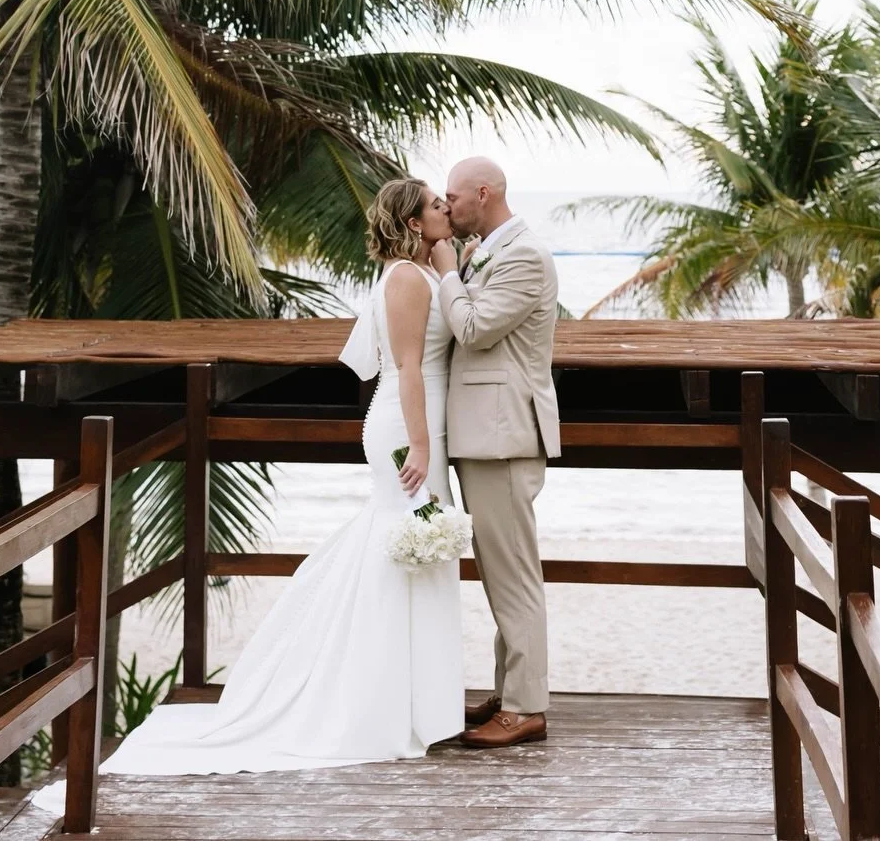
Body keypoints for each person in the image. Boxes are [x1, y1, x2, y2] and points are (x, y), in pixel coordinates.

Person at [33, 177, 463, 788]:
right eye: (436, 205)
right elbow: (410, 366)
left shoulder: (423, 272)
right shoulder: (403, 279)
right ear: (414, 223)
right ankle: (378, 702)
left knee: (413, 552)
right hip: (405, 428)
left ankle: (416, 700)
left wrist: (451, 266)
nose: (447, 208)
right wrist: (419, 444)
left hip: (423, 427)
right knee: (404, 551)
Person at [432, 155, 559, 749]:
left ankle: (526, 706)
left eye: (453, 197)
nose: (447, 206)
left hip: (504, 435)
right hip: (485, 433)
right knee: (500, 572)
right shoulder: (491, 250)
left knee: (513, 578)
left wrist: (446, 270)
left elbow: (476, 328)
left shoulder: (526, 256)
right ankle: (510, 689)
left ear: (481, 194)